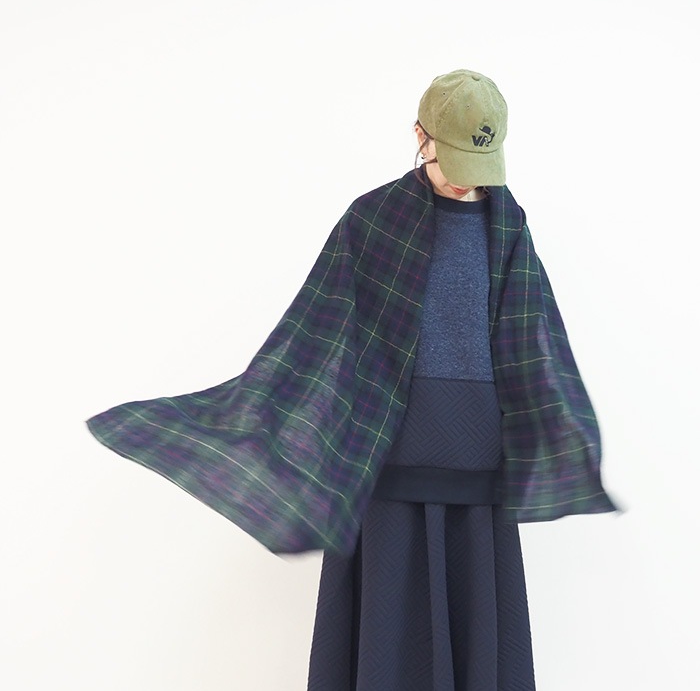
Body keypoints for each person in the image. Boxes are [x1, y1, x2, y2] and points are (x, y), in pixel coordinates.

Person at [87, 69, 621, 691]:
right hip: (388, 448)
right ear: (420, 136)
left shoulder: (507, 224)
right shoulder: (373, 221)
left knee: (476, 631)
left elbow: (532, 343)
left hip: (478, 460)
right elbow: (316, 338)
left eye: (480, 162)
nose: (466, 178)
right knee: (387, 637)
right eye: (454, 157)